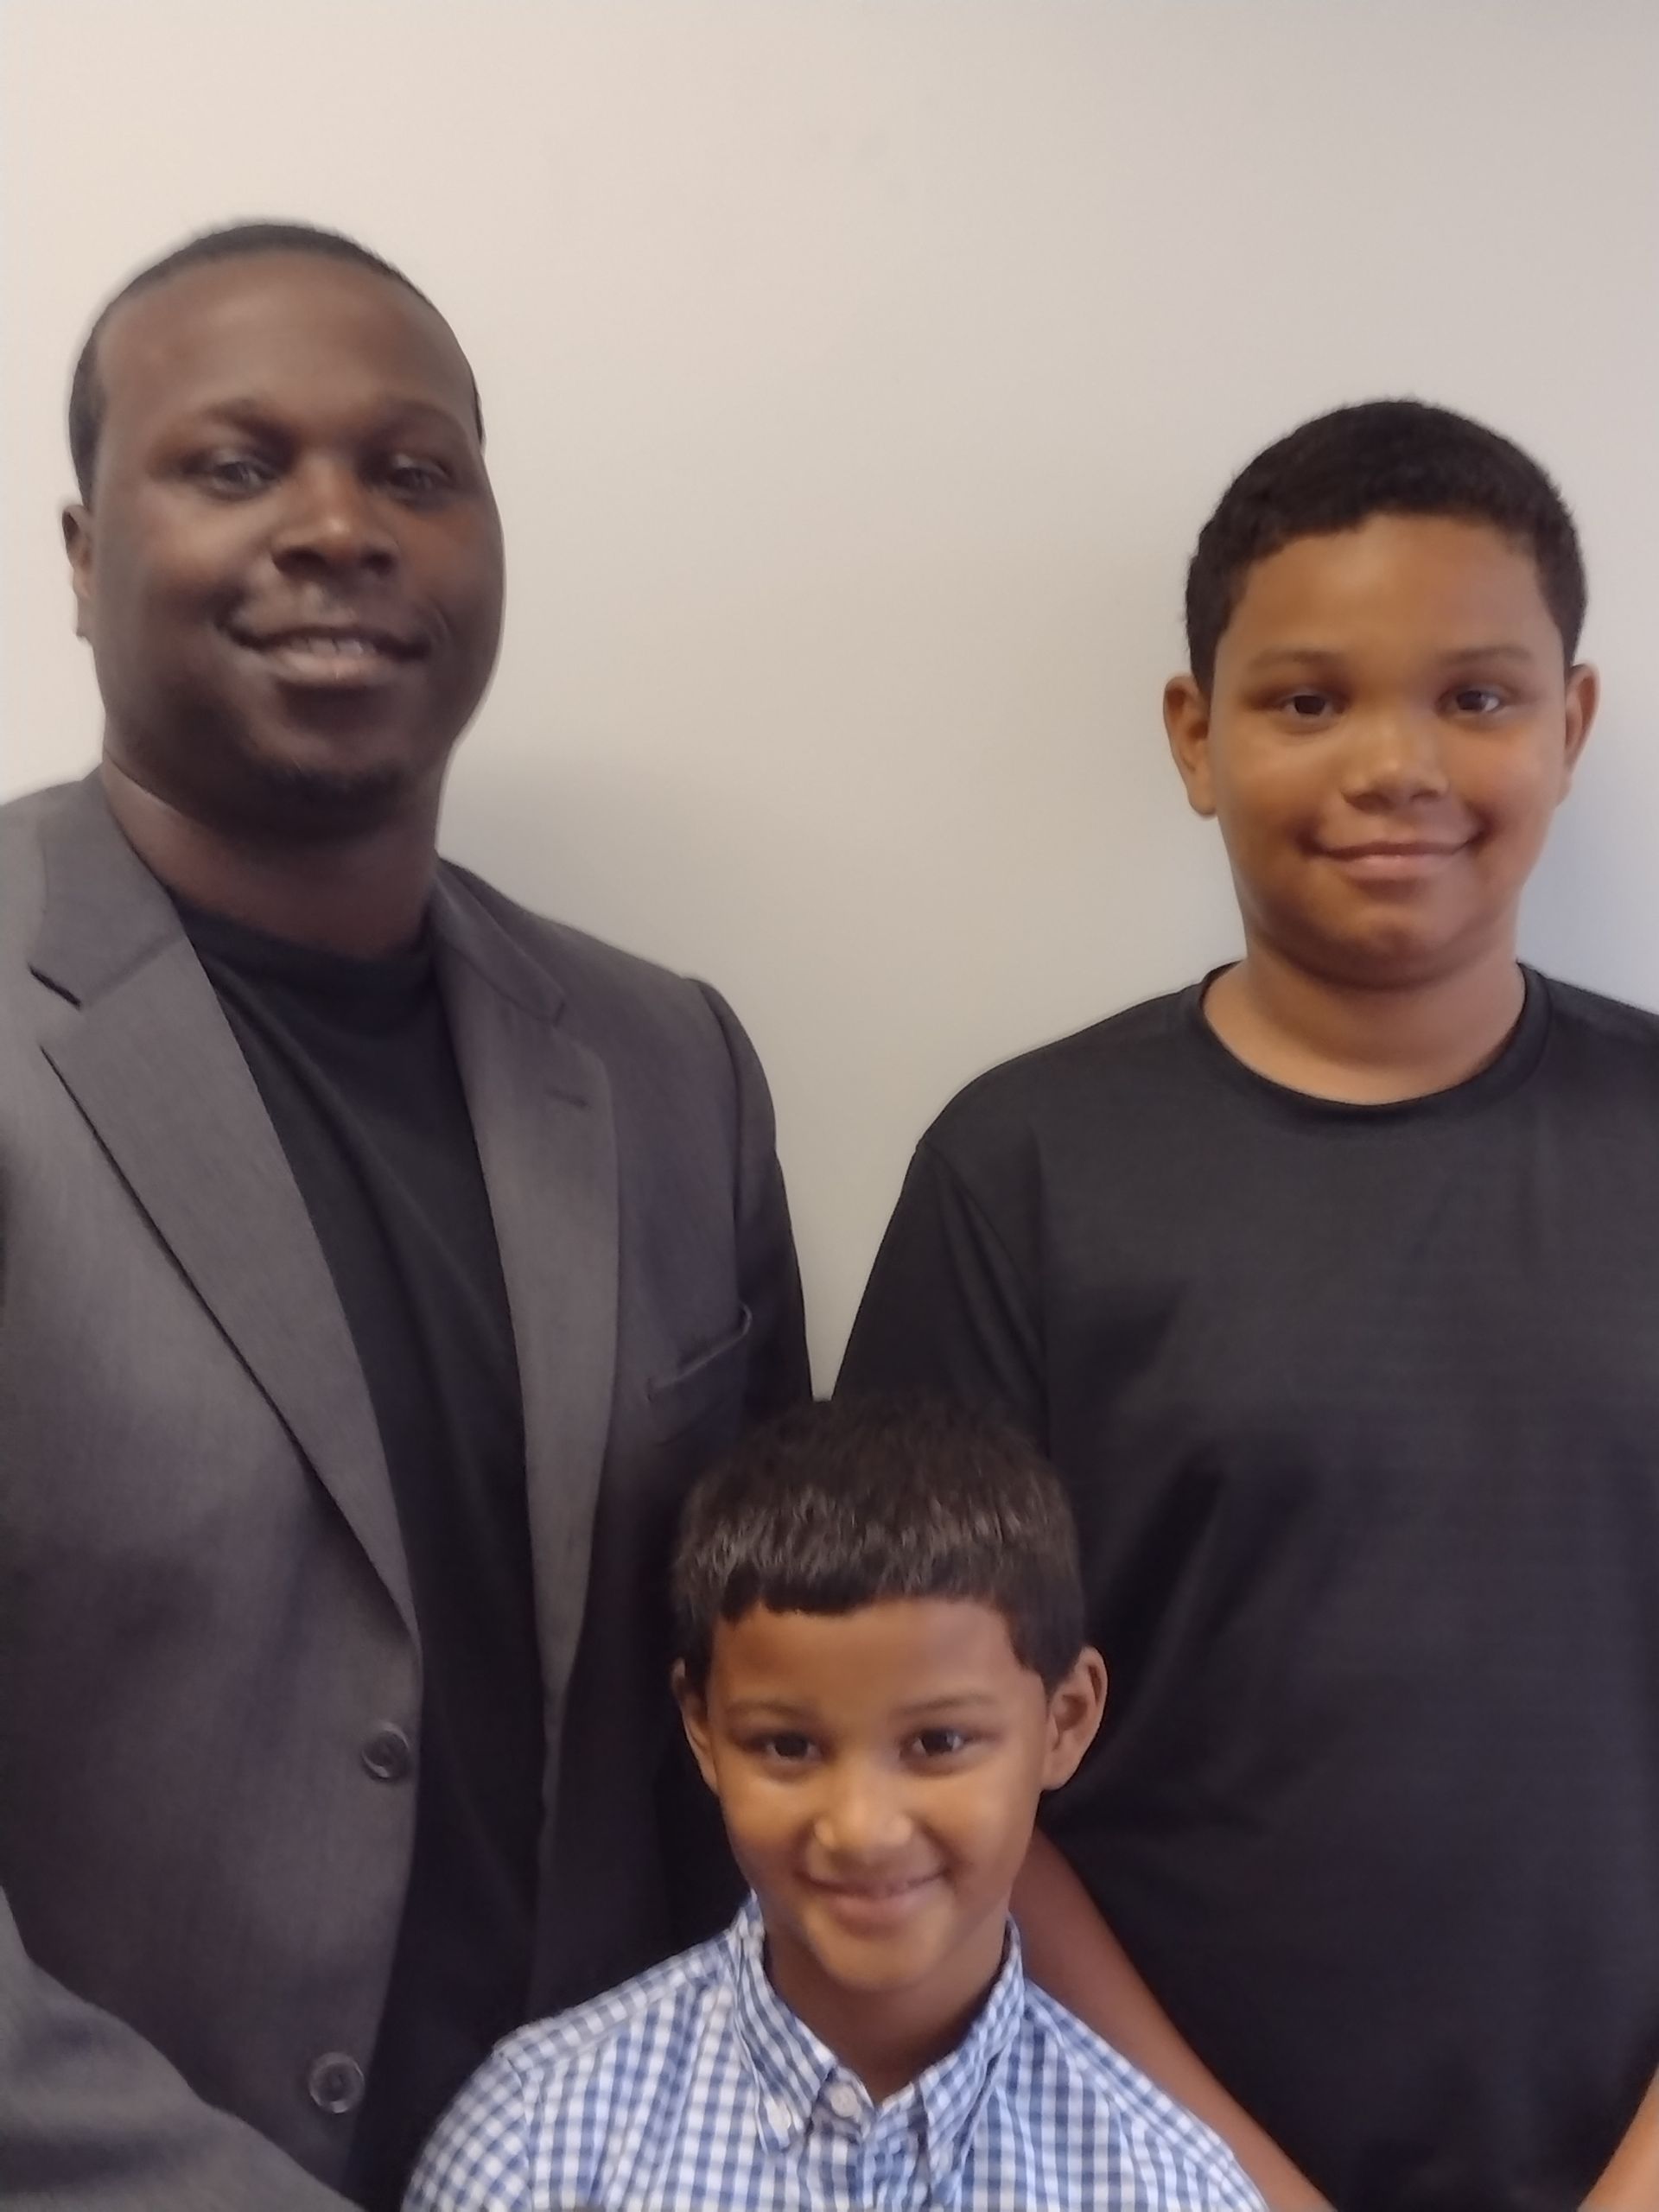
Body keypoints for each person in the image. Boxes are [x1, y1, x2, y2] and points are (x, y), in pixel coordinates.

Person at [0, 219, 808, 2212]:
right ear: (85, 553)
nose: (340, 523)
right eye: (235, 463)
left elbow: (777, 1692)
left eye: (414, 468)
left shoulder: (668, 1067)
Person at [838, 398, 1659, 2211]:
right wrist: (1223, 2179)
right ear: (1196, 737)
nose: (1397, 761)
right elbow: (923, 1732)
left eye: (1478, 694)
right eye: (1308, 700)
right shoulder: (1024, 1170)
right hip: (1134, 2161)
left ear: (1573, 724)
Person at [406, 1395, 1265, 2212]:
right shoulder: (536, 2148)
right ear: (703, 1728)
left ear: (1064, 1720)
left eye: (938, 1743)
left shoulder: (1168, 2186)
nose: (860, 1827)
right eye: (788, 1746)